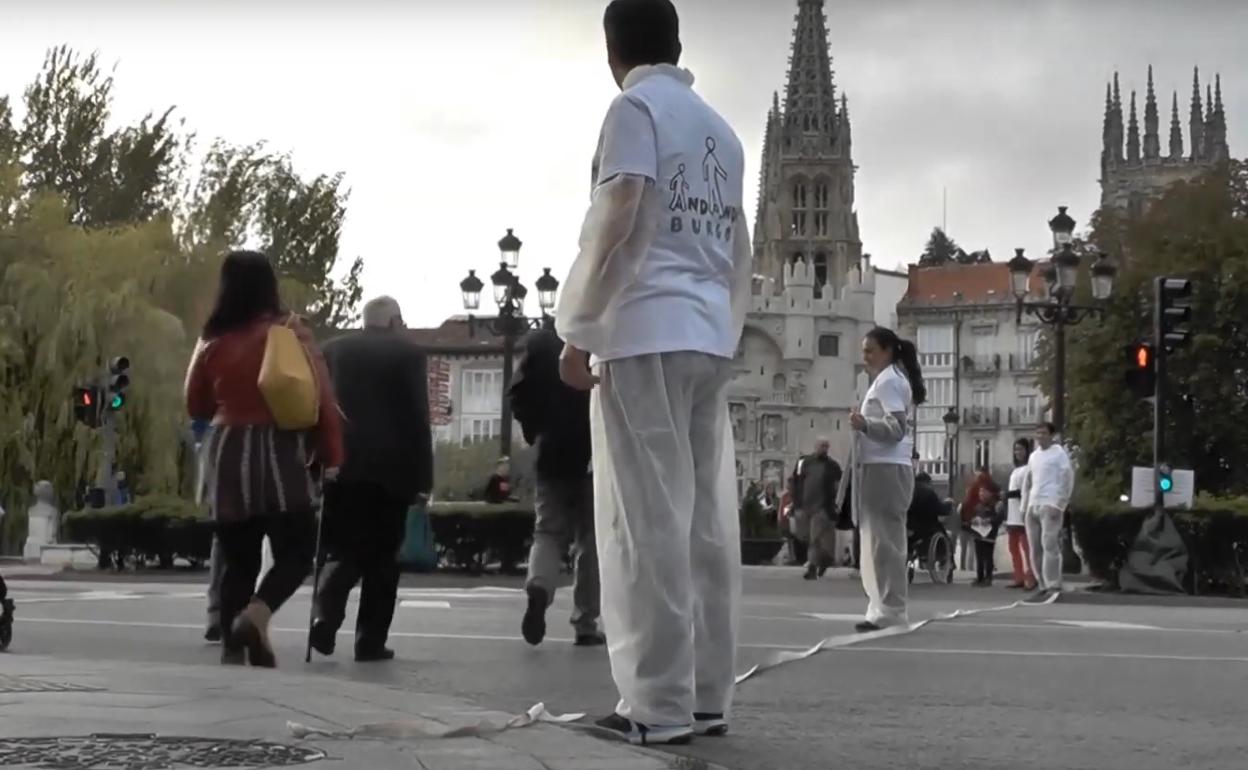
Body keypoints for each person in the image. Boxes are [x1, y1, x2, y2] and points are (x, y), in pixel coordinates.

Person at [553, 0, 753, 745]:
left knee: (644, 520)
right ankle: (707, 695)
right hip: (707, 333)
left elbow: (619, 215)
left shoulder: (632, 109)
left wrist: (578, 328)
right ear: (678, 43)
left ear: (613, 51)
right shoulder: (722, 131)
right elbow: (737, 245)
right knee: (705, 521)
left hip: (643, 332)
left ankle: (654, 705)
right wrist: (724, 327)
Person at [185, 250, 343, 667]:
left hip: (225, 448)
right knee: (297, 549)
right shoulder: (290, 331)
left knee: (238, 555)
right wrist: (331, 453)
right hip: (278, 448)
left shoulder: (212, 339)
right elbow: (321, 398)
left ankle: (234, 648)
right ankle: (256, 616)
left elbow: (195, 404)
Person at [309, 296, 433, 663]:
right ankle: (369, 641)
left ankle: (326, 608)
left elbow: (318, 407)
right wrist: (423, 477)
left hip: (340, 466)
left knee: (344, 547)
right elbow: (417, 419)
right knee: (382, 558)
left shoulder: (332, 350)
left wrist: (315, 462)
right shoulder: (408, 354)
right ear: (394, 320)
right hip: (391, 473)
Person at [509, 323, 604, 648]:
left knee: (547, 531)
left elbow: (518, 395)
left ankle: (540, 586)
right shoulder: (602, 334)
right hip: (596, 450)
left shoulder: (539, 342)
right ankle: (585, 622)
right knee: (591, 541)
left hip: (552, 452)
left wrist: (535, 432)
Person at [845, 327, 925, 633]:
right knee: (874, 540)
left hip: (886, 468)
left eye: (870, 350)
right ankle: (878, 605)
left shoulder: (890, 381)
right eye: (864, 350)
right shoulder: (885, 380)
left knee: (885, 542)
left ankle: (891, 608)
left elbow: (897, 429)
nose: (864, 357)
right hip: (878, 467)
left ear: (887, 351)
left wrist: (865, 424)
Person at [1022, 422, 1074, 600]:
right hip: (1033, 504)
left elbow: (1067, 478)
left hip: (1050, 503)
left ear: (1051, 435)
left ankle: (1053, 583)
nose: (1040, 436)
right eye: (1037, 433)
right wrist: (1024, 506)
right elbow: (1027, 482)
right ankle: (1042, 583)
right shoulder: (1034, 456)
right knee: (1034, 547)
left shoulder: (1059, 453)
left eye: (1043, 433)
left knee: (1049, 544)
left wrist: (1059, 504)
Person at [791, 438, 843, 580]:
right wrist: (795, 502)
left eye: (826, 446)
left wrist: (836, 504)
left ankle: (812, 568)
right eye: (821, 446)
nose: (824, 448)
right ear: (815, 447)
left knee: (814, 538)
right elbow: (795, 480)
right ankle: (823, 561)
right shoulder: (803, 462)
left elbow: (839, 485)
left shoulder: (833, 466)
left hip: (823, 508)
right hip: (804, 505)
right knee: (806, 537)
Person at [1005, 438, 1037, 590]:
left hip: (1023, 512)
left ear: (1027, 451)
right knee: (1013, 547)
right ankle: (1018, 576)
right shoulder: (1015, 470)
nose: (1018, 452)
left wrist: (1010, 494)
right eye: (1016, 449)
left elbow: (1027, 490)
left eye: (1021, 449)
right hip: (1012, 514)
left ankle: (1030, 576)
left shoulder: (1029, 469)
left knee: (1026, 547)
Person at [958, 468, 993, 575]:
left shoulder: (964, 502)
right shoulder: (975, 502)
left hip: (966, 527)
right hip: (972, 527)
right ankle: (969, 568)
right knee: (972, 549)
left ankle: (964, 568)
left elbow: (959, 513)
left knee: (967, 549)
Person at [969, 481, 1004, 586]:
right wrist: (973, 520)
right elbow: (971, 517)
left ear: (990, 493)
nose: (981, 494)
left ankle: (988, 577)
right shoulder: (978, 505)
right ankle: (979, 577)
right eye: (980, 492)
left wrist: (989, 521)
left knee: (988, 556)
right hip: (978, 533)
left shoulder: (996, 505)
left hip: (989, 534)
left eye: (983, 491)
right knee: (979, 556)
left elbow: (999, 518)